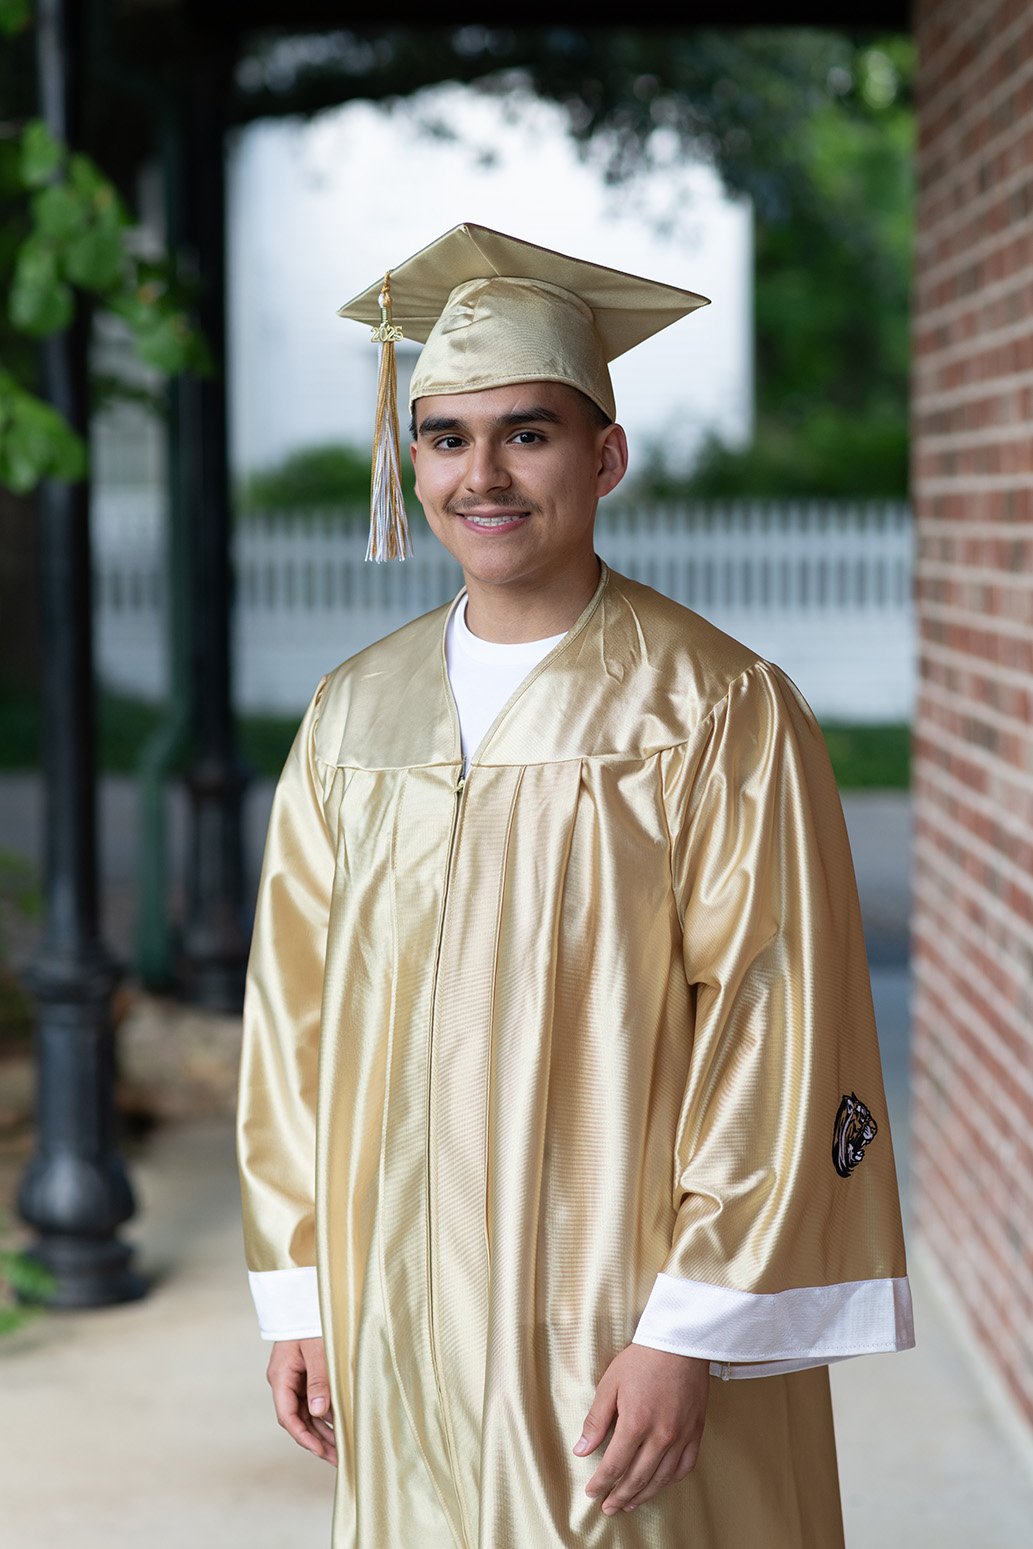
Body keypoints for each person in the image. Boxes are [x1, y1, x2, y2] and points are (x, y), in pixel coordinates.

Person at [236, 223, 914, 1549]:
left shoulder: (715, 706)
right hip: (397, 1300)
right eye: (442, 436)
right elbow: (291, 1021)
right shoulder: (354, 714)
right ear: (410, 459)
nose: (478, 473)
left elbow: (776, 1023)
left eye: (526, 433)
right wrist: (300, 1290)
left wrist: (690, 1327)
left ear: (603, 455)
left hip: (619, 1305)